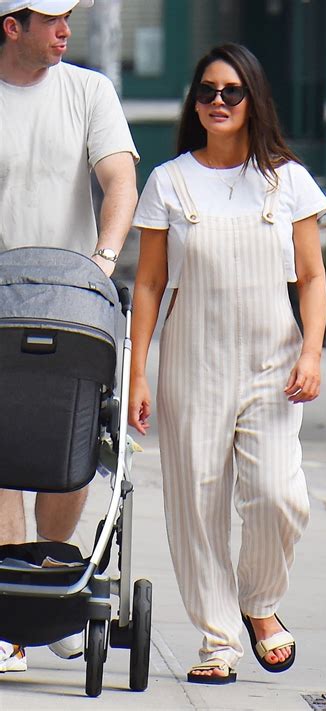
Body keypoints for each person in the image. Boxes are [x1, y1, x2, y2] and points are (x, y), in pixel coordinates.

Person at [129, 43, 326, 685]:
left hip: (272, 360)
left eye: (232, 92)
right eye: (207, 91)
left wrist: (312, 351)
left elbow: (312, 274)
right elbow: (150, 285)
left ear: (252, 101)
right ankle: (219, 640)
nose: (218, 102)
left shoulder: (287, 180)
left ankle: (260, 603)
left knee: (278, 494)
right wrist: (137, 371)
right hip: (192, 358)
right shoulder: (169, 181)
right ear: (195, 101)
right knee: (197, 502)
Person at [0, 0, 139, 672]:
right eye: (52, 19)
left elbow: (118, 178)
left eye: (70, 18)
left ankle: (51, 574)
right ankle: (11, 618)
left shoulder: (89, 92)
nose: (66, 30)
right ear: (11, 26)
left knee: (72, 442)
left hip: (71, 304)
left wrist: (105, 256)